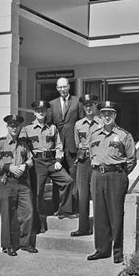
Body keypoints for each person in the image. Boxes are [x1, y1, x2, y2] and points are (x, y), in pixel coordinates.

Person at [87, 101, 137, 264]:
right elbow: (90, 155)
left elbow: (131, 159)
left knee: (116, 214)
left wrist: (119, 174)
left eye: (110, 113)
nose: (106, 116)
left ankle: (118, 251)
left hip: (116, 175)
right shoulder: (93, 134)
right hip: (97, 175)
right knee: (99, 213)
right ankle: (102, 249)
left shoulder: (124, 135)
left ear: (115, 115)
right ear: (100, 116)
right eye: (103, 114)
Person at [21, 100, 76, 233]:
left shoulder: (52, 128)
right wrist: (29, 161)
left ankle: (64, 211)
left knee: (67, 181)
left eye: (43, 111)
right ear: (34, 112)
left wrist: (58, 159)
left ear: (46, 112)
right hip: (37, 162)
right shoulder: (27, 129)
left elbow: (58, 145)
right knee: (38, 193)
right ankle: (39, 222)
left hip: (51, 161)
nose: (40, 113)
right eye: (38, 111)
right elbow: (23, 147)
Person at [0, 114, 37, 257]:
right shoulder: (0, 143)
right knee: (7, 214)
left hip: (22, 182)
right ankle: (8, 245)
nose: (14, 128)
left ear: (20, 127)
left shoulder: (23, 144)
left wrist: (25, 166)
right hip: (6, 182)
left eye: (16, 125)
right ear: (7, 127)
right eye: (11, 125)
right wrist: (8, 167)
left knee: (28, 211)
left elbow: (30, 159)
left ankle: (25, 243)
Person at [47, 77, 84, 216]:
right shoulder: (52, 104)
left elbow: (81, 124)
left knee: (73, 178)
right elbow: (50, 126)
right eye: (60, 87)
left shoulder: (77, 101)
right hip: (58, 147)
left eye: (65, 87)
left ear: (69, 86)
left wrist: (81, 145)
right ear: (57, 88)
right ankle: (59, 208)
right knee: (58, 178)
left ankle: (74, 209)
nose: (63, 89)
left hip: (73, 146)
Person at [70, 94, 102, 237]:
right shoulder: (78, 124)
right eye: (86, 105)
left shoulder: (102, 122)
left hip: (97, 161)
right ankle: (83, 228)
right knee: (82, 195)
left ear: (96, 105)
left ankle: (100, 228)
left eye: (91, 105)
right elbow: (77, 144)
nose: (89, 108)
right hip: (83, 162)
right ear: (83, 107)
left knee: (97, 195)